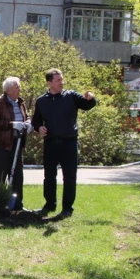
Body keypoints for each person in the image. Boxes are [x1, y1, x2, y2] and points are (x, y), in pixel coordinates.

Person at [31, 68, 96, 219]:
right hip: (51, 143)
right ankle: (49, 204)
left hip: (69, 143)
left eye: (62, 79)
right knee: (49, 176)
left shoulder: (71, 96)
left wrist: (91, 97)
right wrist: (39, 128)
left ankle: (67, 208)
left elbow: (87, 105)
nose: (61, 82)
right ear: (49, 83)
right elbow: (36, 121)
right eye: (58, 80)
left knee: (70, 177)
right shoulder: (41, 101)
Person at [0, 76, 31, 211]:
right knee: (0, 177)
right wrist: (12, 125)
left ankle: (17, 205)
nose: (20, 89)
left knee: (18, 176)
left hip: (18, 145)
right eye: (17, 87)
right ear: (8, 90)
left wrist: (28, 123)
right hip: (3, 145)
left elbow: (26, 116)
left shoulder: (20, 103)